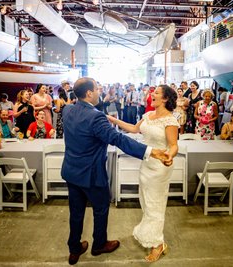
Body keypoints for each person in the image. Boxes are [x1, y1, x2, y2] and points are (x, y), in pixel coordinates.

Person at [61, 77, 169, 265]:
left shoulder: (68, 109)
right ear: (89, 93)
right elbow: (118, 139)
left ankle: (74, 248)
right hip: (92, 174)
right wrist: (150, 152)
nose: (99, 91)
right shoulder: (95, 117)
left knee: (76, 212)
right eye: (97, 88)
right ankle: (99, 245)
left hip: (71, 171)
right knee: (101, 208)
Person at [108, 84, 178, 262]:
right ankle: (152, 236)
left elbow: (173, 145)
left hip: (161, 166)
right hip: (146, 163)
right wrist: (113, 120)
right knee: (146, 202)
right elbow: (133, 129)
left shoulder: (170, 120)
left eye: (156, 93)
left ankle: (158, 244)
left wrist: (170, 155)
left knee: (155, 204)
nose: (151, 94)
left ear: (165, 99)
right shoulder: (147, 115)